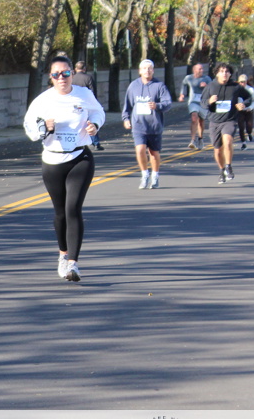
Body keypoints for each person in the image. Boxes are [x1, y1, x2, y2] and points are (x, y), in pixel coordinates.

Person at [23, 55, 105, 283]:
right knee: (60, 213)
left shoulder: (83, 94)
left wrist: (94, 124)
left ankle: (73, 264)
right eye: (56, 74)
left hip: (80, 157)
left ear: (72, 74)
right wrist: (44, 127)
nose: (62, 78)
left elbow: (98, 112)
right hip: (52, 161)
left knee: (73, 209)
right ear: (51, 77)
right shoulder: (43, 100)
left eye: (66, 73)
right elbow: (30, 128)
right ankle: (63, 254)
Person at [122, 59, 172, 189]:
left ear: (153, 71)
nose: (147, 71)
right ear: (140, 71)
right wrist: (126, 119)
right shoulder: (133, 86)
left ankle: (155, 176)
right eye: (144, 68)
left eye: (149, 68)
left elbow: (168, 103)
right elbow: (127, 105)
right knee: (140, 150)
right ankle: (144, 174)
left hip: (154, 126)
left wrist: (157, 106)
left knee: (153, 153)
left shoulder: (159, 86)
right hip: (138, 124)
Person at [203, 64, 251, 184]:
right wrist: (209, 101)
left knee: (228, 140)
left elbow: (248, 97)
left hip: (230, 119)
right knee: (218, 150)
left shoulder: (235, 87)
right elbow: (202, 102)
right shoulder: (210, 86)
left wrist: (243, 104)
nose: (224, 73)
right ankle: (222, 170)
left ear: (230, 74)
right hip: (214, 121)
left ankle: (228, 166)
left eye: (227, 71)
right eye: (222, 71)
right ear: (217, 73)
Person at [71, 60, 103, 149]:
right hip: (86, 103)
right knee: (91, 123)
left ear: (75, 69)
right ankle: (95, 143)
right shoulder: (88, 78)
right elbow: (93, 92)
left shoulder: (71, 78)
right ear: (84, 69)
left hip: (73, 104)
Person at [178, 63, 211, 149]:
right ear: (194, 70)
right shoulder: (188, 78)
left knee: (201, 121)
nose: (202, 70)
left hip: (203, 102)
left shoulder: (207, 79)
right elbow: (184, 84)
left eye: (202, 69)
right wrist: (182, 95)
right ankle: (193, 140)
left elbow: (212, 88)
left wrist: (206, 86)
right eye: (200, 69)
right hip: (193, 102)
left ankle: (200, 138)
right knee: (194, 117)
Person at [236, 73, 254, 150]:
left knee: (249, 126)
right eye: (241, 82)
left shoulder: (250, 90)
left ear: (246, 82)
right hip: (239, 111)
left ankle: (249, 133)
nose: (242, 83)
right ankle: (243, 143)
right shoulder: (236, 90)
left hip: (248, 110)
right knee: (241, 127)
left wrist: (251, 107)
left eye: (244, 82)